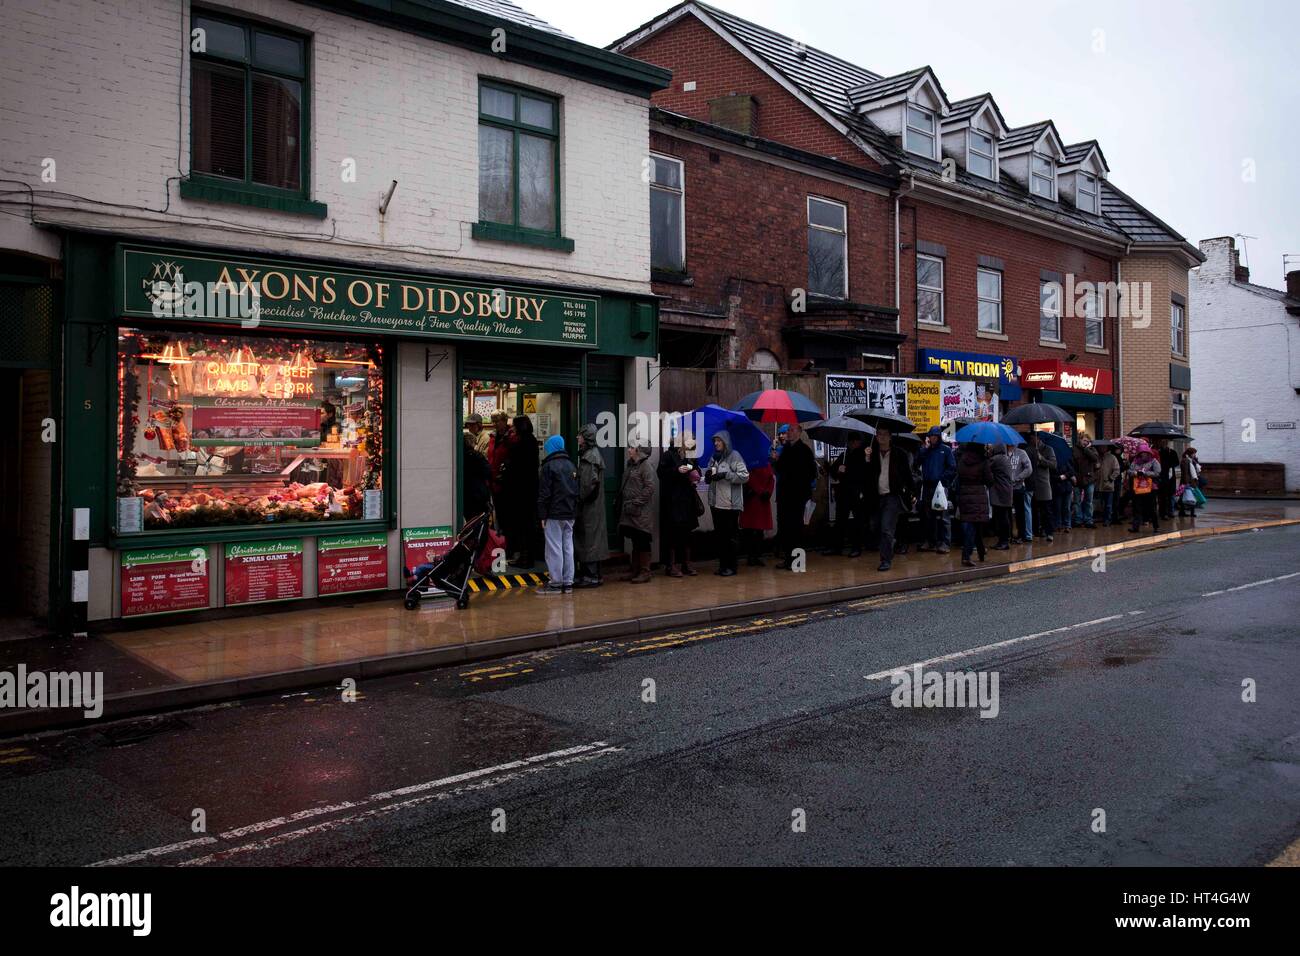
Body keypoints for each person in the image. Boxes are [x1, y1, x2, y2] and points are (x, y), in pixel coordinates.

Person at [864, 426, 916, 572]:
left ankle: (885, 560)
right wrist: (867, 460)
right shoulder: (871, 453)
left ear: (890, 436)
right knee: (876, 526)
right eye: (879, 434)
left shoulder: (899, 454)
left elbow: (907, 475)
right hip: (875, 497)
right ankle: (890, 542)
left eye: (885, 434)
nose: (881, 437)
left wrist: (913, 493)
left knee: (886, 528)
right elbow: (865, 477)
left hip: (892, 496)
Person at [536, 434, 578, 594]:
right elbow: (576, 490)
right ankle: (568, 582)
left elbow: (545, 493)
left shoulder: (549, 466)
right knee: (568, 546)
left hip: (554, 513)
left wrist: (542, 515)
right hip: (569, 513)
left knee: (554, 548)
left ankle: (555, 582)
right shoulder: (571, 465)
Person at [772, 423, 817, 570]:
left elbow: (811, 473)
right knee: (786, 528)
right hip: (785, 496)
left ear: (799, 432)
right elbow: (780, 469)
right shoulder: (785, 449)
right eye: (788, 431)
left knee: (797, 529)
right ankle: (788, 559)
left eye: (792, 430)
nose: (789, 433)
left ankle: (798, 561)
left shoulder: (804, 450)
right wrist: (775, 459)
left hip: (798, 497)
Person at [704, 430, 750, 576]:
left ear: (726, 442)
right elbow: (709, 477)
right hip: (716, 504)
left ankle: (732, 566)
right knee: (720, 537)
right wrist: (708, 477)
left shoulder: (734, 456)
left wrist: (726, 475)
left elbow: (744, 476)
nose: (716, 443)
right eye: (715, 441)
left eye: (719, 440)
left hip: (730, 505)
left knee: (730, 537)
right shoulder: (713, 458)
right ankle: (723, 565)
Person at [657, 435, 702, 577]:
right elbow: (660, 473)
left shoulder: (690, 457)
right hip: (672, 501)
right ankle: (671, 565)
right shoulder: (668, 455)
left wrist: (695, 476)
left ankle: (686, 563)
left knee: (687, 533)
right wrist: (676, 471)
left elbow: (697, 470)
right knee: (672, 533)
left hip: (687, 500)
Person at [500, 415, 541, 568]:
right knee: (528, 525)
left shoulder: (522, 444)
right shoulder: (531, 441)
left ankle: (525, 558)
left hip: (521, 492)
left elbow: (514, 465)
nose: (512, 429)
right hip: (529, 490)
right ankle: (527, 556)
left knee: (523, 525)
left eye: (514, 426)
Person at [573, 424, 609, 588]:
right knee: (593, 538)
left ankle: (591, 575)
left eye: (580, 435)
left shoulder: (589, 457)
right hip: (594, 506)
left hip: (589, 508)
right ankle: (595, 574)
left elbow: (587, 485)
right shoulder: (594, 455)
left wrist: (578, 499)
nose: (577, 438)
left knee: (588, 539)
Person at [825, 435, 870, 556]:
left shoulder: (864, 454)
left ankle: (857, 547)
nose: (852, 443)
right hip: (844, 491)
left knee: (858, 520)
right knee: (840, 520)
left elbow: (866, 472)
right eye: (851, 441)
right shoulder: (845, 454)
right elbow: (834, 472)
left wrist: (848, 470)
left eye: (855, 441)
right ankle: (837, 546)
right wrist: (838, 470)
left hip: (857, 491)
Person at [617, 444, 656, 583]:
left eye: (632, 447)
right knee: (635, 539)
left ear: (639, 451)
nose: (629, 450)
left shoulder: (646, 466)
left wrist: (636, 501)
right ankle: (635, 570)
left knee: (642, 539)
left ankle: (645, 572)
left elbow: (650, 487)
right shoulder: (631, 465)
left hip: (641, 512)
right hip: (630, 511)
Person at [915, 425, 956, 554]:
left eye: (935, 436)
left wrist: (943, 479)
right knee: (928, 516)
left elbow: (952, 467)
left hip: (941, 487)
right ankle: (931, 541)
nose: (932, 439)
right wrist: (924, 450)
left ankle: (945, 543)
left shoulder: (946, 450)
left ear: (938, 437)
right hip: (927, 487)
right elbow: (916, 463)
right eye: (931, 436)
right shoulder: (925, 450)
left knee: (944, 516)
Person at [955, 442, 992, 566]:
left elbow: (959, 476)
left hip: (964, 495)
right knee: (974, 526)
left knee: (972, 525)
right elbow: (989, 481)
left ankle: (981, 551)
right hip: (978, 496)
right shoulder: (983, 461)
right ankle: (966, 556)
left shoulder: (962, 460)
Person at [740, 462, 775, 566]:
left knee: (759, 530)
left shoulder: (765, 463)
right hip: (753, 500)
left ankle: (756, 556)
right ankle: (751, 556)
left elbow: (771, 479)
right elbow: (749, 478)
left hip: (761, 499)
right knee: (750, 530)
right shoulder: (751, 463)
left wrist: (768, 492)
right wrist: (763, 491)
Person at [1026, 431, 1056, 543]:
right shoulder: (1028, 450)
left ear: (1038, 439)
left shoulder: (1048, 449)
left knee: (1046, 510)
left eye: (1033, 438)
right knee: (1033, 509)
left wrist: (1041, 458)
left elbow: (1053, 464)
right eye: (1030, 438)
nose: (1031, 440)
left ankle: (1049, 532)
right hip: (1031, 483)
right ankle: (1036, 530)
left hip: (1043, 484)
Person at [1128, 446, 1161, 533]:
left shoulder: (1153, 461)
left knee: (1151, 508)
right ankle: (1135, 527)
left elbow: (1157, 472)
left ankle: (1156, 526)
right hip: (1138, 488)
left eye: (1145, 453)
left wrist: (1146, 473)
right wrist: (1136, 473)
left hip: (1150, 488)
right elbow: (1130, 471)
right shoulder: (1135, 461)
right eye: (1142, 453)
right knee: (1137, 508)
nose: (1143, 455)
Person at [988, 441, 1014, 550]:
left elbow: (986, 467)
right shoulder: (1006, 458)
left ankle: (1003, 541)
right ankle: (1004, 540)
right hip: (1006, 492)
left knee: (1001, 517)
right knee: (1005, 517)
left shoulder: (996, 459)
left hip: (1000, 493)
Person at [1008, 439, 1035, 543]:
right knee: (1008, 513)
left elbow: (1029, 469)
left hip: (1018, 488)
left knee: (1020, 513)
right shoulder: (1004, 454)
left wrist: (1017, 478)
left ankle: (1022, 535)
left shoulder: (1021, 453)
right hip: (1007, 489)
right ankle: (1009, 535)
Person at [462, 431, 492, 521]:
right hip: (478, 494)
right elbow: (487, 471)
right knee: (480, 521)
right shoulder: (477, 456)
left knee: (469, 519)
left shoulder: (459, 456)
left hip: (465, 494)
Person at [1073, 434, 1100, 529]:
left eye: (1087, 441)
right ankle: (1078, 520)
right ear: (1080, 440)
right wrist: (1073, 476)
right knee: (1077, 501)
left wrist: (1087, 449)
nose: (1085, 442)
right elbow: (1072, 463)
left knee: (1088, 501)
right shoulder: (1074, 449)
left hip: (1089, 479)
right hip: (1077, 478)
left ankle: (1088, 520)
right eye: (1084, 440)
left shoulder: (1092, 449)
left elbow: (1095, 459)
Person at [1098, 444, 1122, 527]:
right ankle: (1103, 518)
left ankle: (1107, 520)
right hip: (1098, 484)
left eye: (1104, 447)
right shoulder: (1097, 457)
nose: (1102, 448)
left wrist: (1111, 478)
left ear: (1107, 448)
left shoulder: (1112, 457)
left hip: (1108, 484)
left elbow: (1117, 470)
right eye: (1101, 447)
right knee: (1101, 504)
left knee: (1108, 504)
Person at [1157, 438, 1180, 520]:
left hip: (1171, 476)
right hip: (1162, 476)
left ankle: (1170, 511)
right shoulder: (1159, 452)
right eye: (1163, 443)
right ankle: (1163, 513)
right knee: (1163, 496)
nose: (1164, 444)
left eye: (1166, 443)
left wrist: (1170, 464)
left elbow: (1177, 462)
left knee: (1171, 495)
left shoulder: (1172, 452)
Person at [1179, 445, 1202, 519]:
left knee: (1190, 496)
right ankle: (1184, 512)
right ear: (1189, 453)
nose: (1194, 455)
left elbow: (1196, 469)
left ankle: (1189, 512)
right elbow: (1185, 473)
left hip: (1191, 481)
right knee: (1186, 497)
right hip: (1187, 482)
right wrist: (1186, 483)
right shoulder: (1185, 461)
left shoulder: (1191, 460)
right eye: (1193, 453)